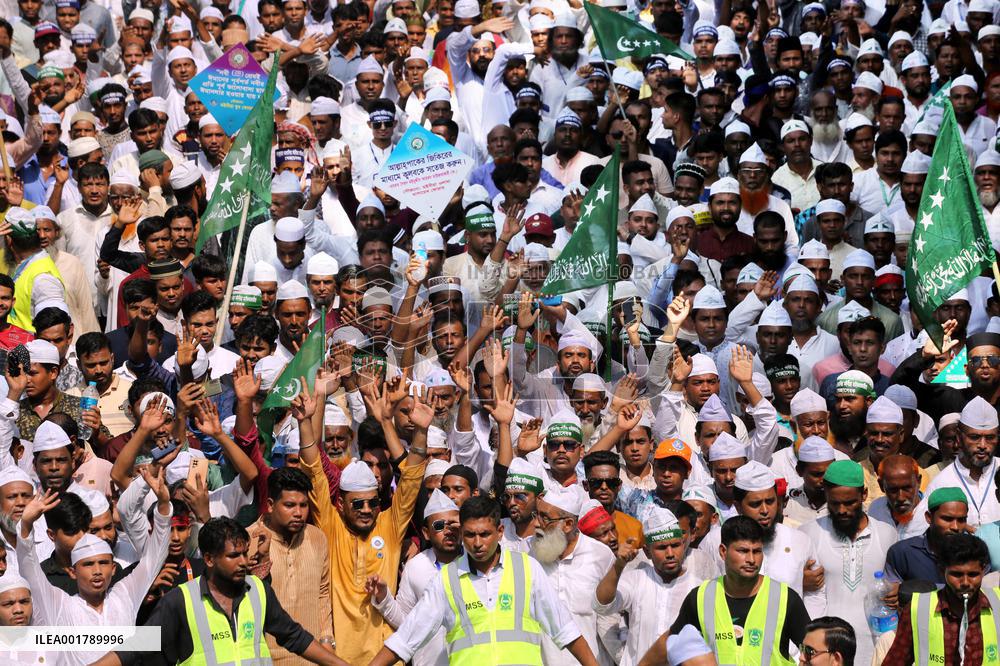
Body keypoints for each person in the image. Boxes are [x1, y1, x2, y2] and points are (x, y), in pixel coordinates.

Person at [367, 495, 600, 666]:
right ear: (461, 533)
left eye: (485, 534)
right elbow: (406, 638)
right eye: (470, 535)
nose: (477, 543)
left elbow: (565, 629)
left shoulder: (527, 569)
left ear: (500, 531)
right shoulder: (446, 580)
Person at [98, 517, 350, 666]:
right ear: (209, 559)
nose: (243, 562)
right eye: (233, 556)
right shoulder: (180, 601)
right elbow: (136, 647)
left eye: (244, 553)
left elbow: (296, 637)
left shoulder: (258, 591)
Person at [883, 532, 1000, 665]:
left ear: (983, 571)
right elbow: (896, 661)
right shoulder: (917, 610)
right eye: (957, 574)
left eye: (973, 575)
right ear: (942, 571)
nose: (965, 582)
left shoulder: (997, 603)